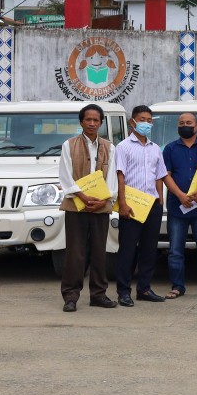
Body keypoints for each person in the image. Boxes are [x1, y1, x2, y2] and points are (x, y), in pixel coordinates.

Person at [57, 103, 119, 312]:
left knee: (100, 252)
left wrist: (105, 199)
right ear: (81, 122)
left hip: (101, 206)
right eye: (88, 119)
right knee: (75, 253)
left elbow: (112, 179)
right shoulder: (69, 145)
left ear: (101, 123)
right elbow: (65, 176)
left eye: (96, 120)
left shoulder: (110, 147)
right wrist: (82, 196)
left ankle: (98, 295)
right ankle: (71, 296)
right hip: (76, 206)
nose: (92, 123)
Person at [115, 104, 168, 307]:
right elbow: (120, 175)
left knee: (149, 249)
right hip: (131, 205)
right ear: (133, 122)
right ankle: (124, 291)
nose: (146, 123)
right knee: (128, 249)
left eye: (149, 120)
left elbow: (160, 175)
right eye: (142, 119)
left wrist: (160, 199)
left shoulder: (155, 148)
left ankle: (144, 288)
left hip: (152, 204)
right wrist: (122, 203)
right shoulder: (123, 147)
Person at [162, 112, 197, 300]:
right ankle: (177, 286)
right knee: (175, 250)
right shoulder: (169, 149)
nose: (185, 125)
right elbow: (165, 175)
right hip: (177, 207)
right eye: (181, 123)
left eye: (189, 123)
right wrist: (180, 195)